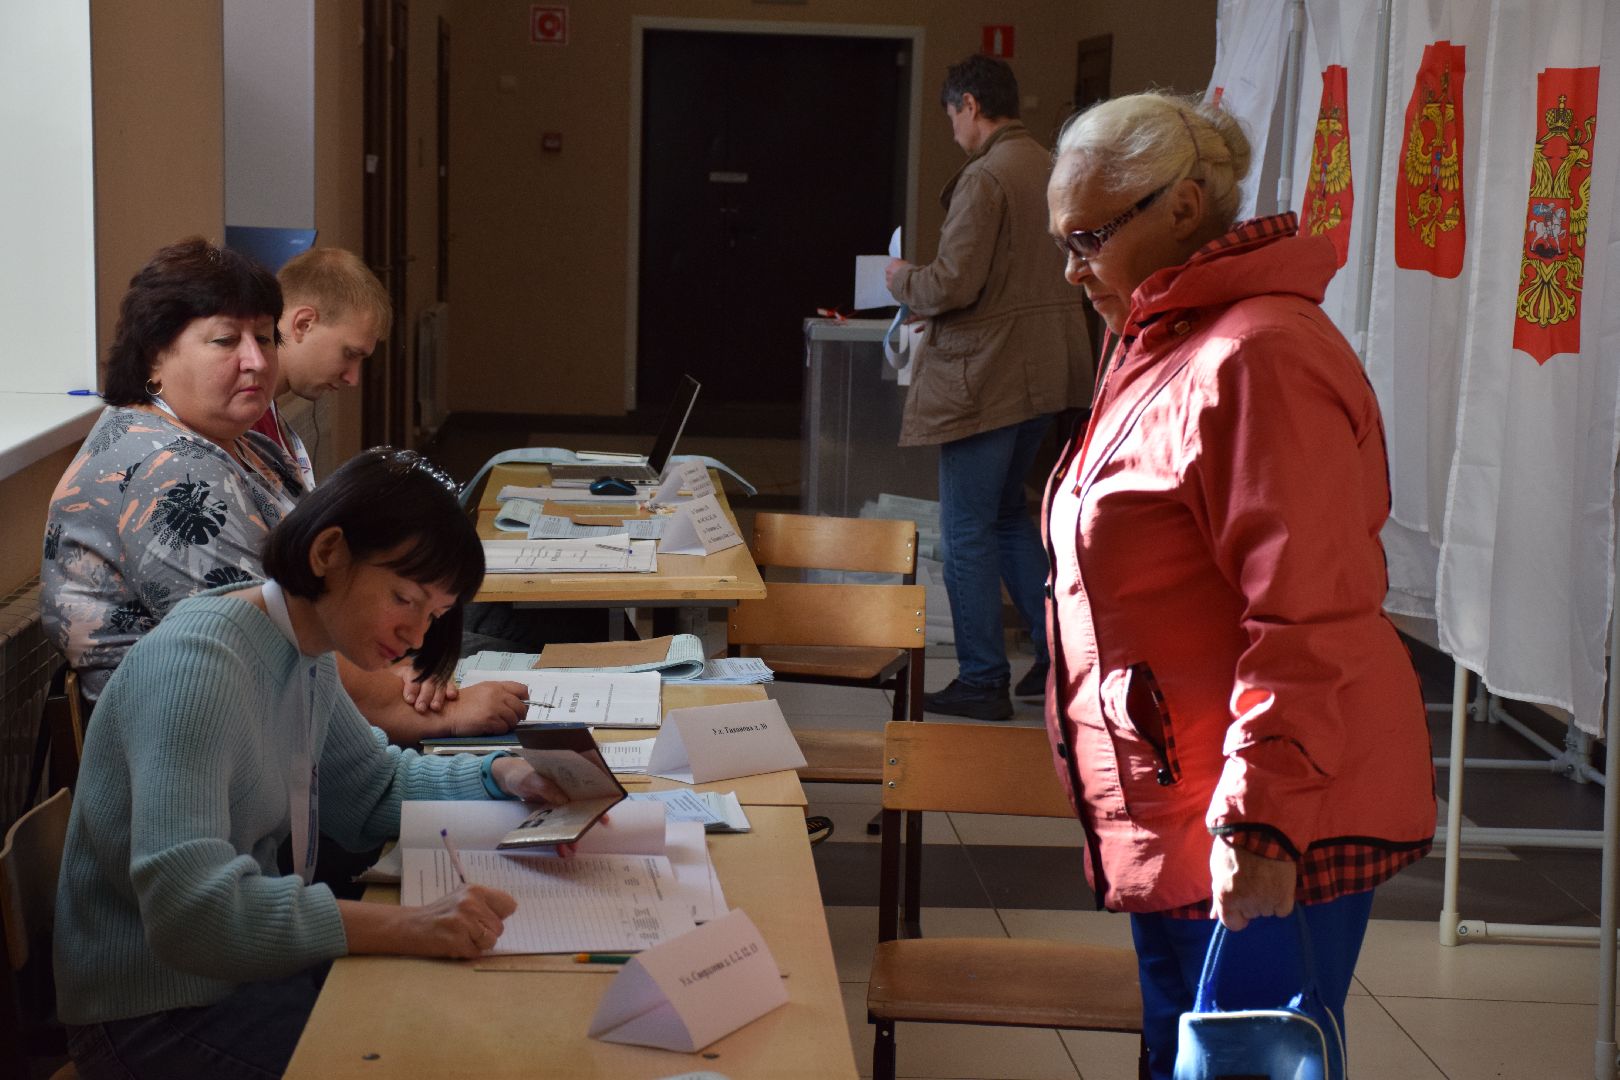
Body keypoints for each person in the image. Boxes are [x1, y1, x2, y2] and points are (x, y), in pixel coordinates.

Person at [1041, 91, 1435, 1078]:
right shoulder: (1163, 339)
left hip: (1263, 814)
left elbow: (1309, 610)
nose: (1071, 266)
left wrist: (1264, 820)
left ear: (1181, 208)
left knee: (1245, 1063)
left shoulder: (1256, 356)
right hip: (1186, 797)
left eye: (1089, 236)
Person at [54, 447, 572, 1080]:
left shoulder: (305, 649)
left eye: (434, 615)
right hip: (157, 1013)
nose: (417, 635)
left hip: (238, 975)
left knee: (465, 1023)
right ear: (329, 553)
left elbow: (373, 791)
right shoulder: (199, 664)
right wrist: (407, 927)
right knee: (435, 1052)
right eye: (404, 598)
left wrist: (502, 776)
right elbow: (190, 915)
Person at [40, 237, 525, 740]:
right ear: (154, 356)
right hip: (193, 753)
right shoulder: (168, 474)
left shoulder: (241, 443)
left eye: (265, 339)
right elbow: (272, 644)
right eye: (226, 341)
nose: (256, 360)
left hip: (283, 724)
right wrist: (434, 708)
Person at [884, 53, 1092, 722]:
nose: (953, 131)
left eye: (952, 116)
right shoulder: (1051, 164)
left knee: (964, 528)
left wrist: (902, 279)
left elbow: (954, 282)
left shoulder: (986, 177)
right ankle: (1056, 658)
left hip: (989, 375)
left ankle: (980, 677)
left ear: (970, 105)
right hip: (1048, 370)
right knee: (1010, 515)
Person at [250, 246, 391, 491]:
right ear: (303, 324)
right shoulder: (240, 419)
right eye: (349, 354)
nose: (353, 378)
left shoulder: (263, 408)